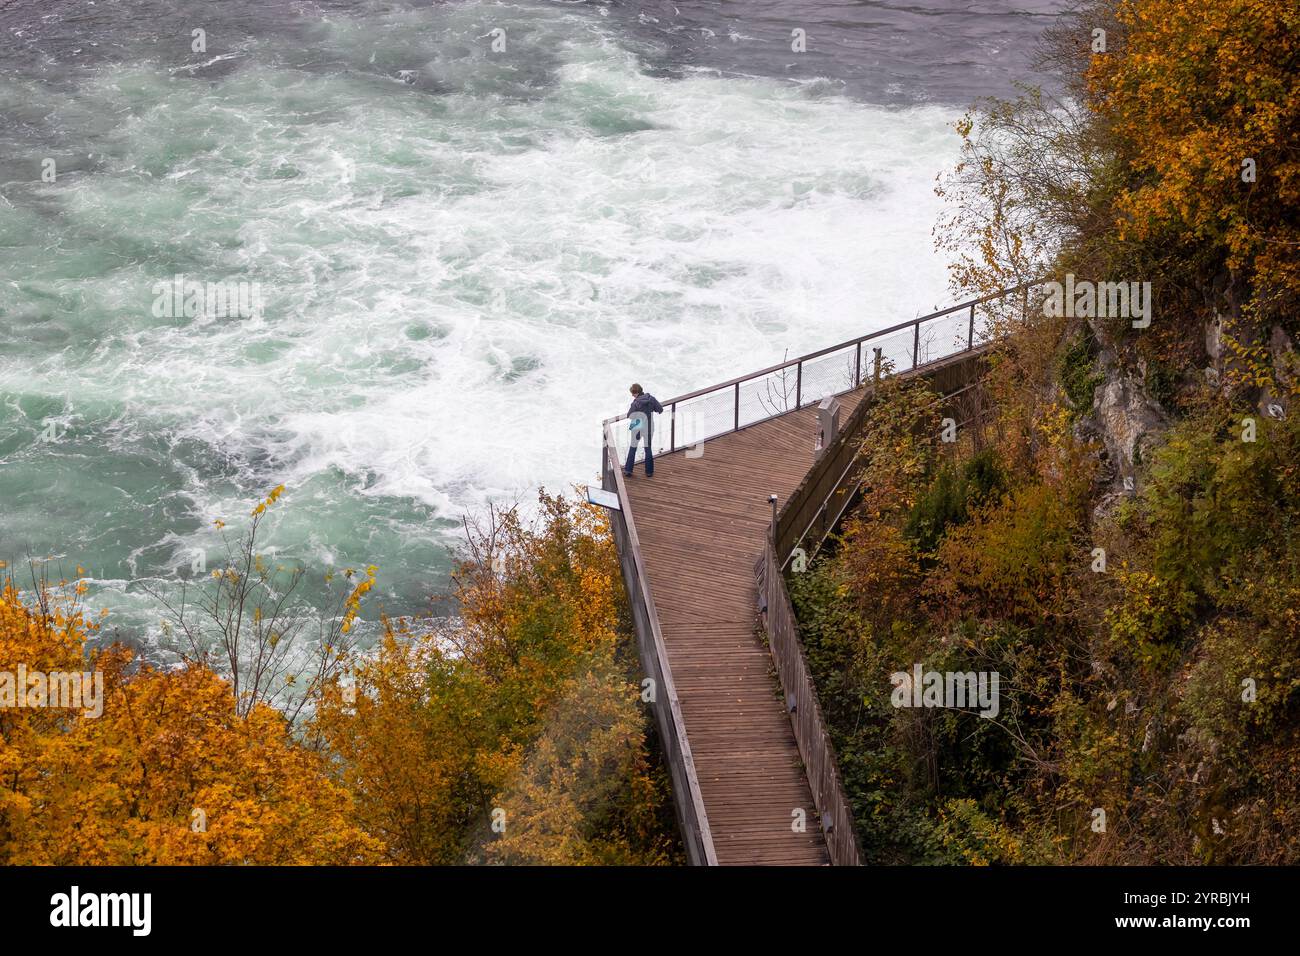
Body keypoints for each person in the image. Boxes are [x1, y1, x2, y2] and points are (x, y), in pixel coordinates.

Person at [624, 383, 663, 478]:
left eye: (633, 393)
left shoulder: (636, 403)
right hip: (649, 427)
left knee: (633, 448)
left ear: (637, 393)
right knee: (648, 448)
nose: (632, 395)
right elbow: (660, 409)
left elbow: (629, 415)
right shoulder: (651, 399)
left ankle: (628, 470)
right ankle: (649, 472)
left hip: (637, 427)